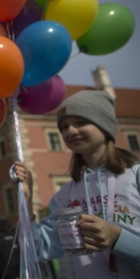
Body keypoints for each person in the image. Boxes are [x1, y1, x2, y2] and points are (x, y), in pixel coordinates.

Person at [14, 90, 140, 278]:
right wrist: (27, 200)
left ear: (104, 125)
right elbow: (40, 249)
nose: (70, 131)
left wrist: (117, 239)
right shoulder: (65, 195)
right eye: (64, 127)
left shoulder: (135, 176)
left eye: (81, 122)